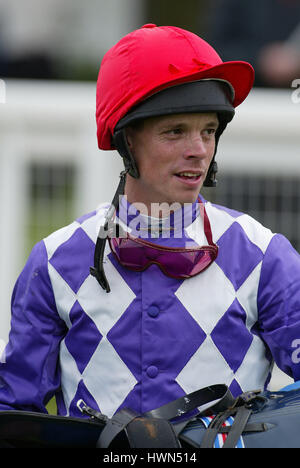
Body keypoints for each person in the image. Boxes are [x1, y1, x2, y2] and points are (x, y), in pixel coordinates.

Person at [0, 24, 300, 421]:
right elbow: (15, 414)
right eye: (174, 132)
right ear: (126, 140)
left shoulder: (265, 257)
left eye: (208, 131)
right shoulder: (54, 261)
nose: (198, 151)